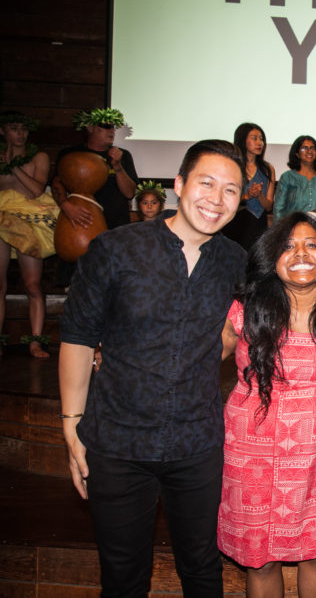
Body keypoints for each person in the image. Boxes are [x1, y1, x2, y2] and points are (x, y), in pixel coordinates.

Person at [59, 140, 246, 596]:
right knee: (123, 575)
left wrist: (215, 344)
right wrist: (71, 423)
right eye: (206, 183)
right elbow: (79, 337)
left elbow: (230, 332)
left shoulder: (235, 262)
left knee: (203, 567)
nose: (216, 200)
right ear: (178, 185)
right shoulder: (116, 249)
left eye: (231, 191)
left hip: (197, 442)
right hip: (118, 440)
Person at [218, 213, 316, 597]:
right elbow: (194, 359)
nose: (300, 253)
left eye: (312, 245)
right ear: (272, 257)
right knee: (261, 558)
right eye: (287, 246)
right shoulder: (243, 309)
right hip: (251, 454)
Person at [52, 107, 139, 285]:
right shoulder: (70, 154)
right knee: (78, 286)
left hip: (115, 226)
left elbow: (129, 193)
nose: (111, 131)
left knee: (112, 285)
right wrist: (65, 205)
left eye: (113, 126)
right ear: (90, 128)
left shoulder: (123, 156)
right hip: (80, 226)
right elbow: (56, 184)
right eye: (105, 126)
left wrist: (118, 166)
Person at [0, 111, 60, 358]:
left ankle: (35, 342)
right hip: (1, 217)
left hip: (28, 219)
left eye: (24, 129)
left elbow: (36, 190)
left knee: (33, 284)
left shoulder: (39, 157)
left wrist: (13, 168)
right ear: (3, 131)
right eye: (14, 128)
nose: (20, 134)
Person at [223, 122, 275, 251]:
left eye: (261, 139)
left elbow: (268, 206)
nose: (260, 143)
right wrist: (246, 196)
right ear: (242, 139)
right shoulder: (232, 165)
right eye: (254, 138)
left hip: (258, 223)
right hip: (235, 221)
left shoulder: (268, 169)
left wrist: (259, 195)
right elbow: (224, 197)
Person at [273, 135, 316, 221]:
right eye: (304, 148)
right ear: (297, 153)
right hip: (292, 230)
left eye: (312, 148)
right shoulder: (287, 178)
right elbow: (278, 210)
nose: (309, 151)